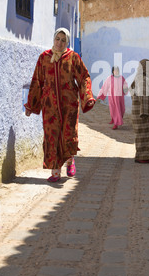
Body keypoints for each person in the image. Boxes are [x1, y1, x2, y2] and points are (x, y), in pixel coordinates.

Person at [25, 28, 96, 182]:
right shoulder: (44, 58)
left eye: (63, 40)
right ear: (53, 39)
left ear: (67, 42)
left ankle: (70, 160)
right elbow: (37, 81)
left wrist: (87, 96)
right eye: (57, 38)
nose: (59, 42)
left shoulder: (73, 57)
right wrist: (31, 105)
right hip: (49, 105)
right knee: (52, 136)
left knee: (68, 133)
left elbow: (84, 77)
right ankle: (55, 171)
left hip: (69, 104)